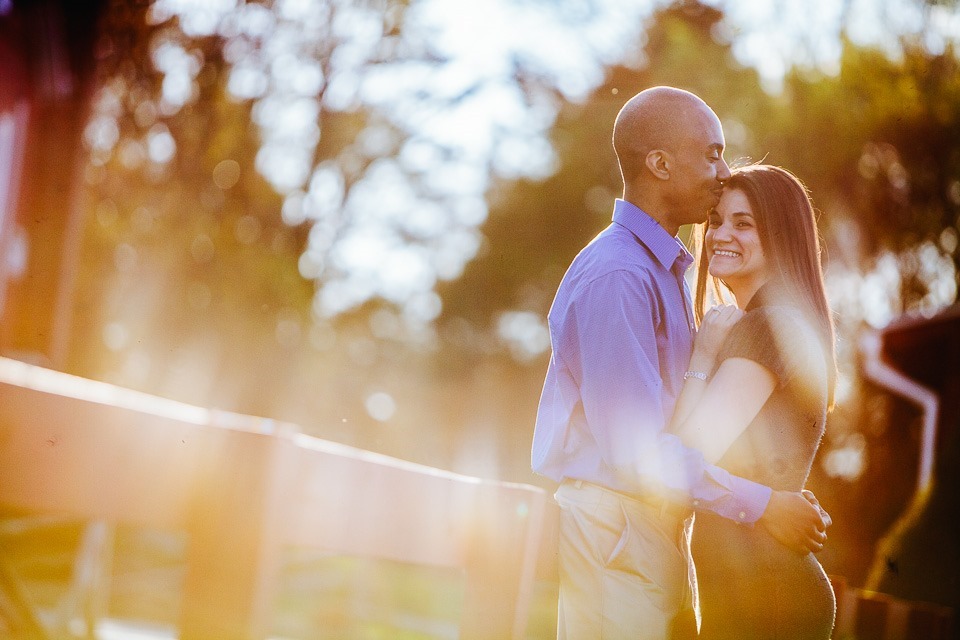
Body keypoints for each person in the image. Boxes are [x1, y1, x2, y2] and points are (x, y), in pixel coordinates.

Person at [531, 86, 830, 639]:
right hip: (617, 525)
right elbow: (638, 453)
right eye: (712, 153)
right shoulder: (620, 275)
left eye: (745, 224)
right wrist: (763, 504)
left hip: (660, 531)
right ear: (660, 164)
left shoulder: (663, 275)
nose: (721, 169)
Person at [668, 163, 837, 638]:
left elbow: (682, 459)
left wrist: (701, 356)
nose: (721, 234)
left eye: (744, 223)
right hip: (759, 589)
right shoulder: (782, 322)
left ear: (781, 236)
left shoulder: (763, 328)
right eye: (717, 220)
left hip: (767, 596)